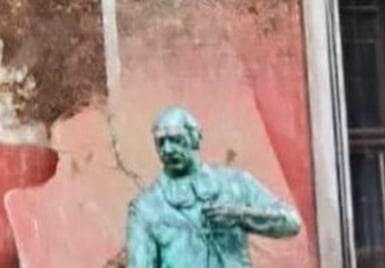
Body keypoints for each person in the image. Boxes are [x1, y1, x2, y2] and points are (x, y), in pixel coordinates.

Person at [126, 106, 301, 267]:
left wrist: (241, 216)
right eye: (161, 142)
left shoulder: (235, 183)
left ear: (194, 138)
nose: (168, 149)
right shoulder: (145, 208)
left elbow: (291, 222)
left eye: (175, 140)